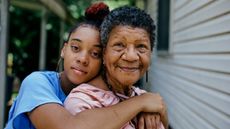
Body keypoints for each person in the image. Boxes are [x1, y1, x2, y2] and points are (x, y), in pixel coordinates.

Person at [4, 2, 167, 129]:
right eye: (75, 48)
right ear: (63, 49)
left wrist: (152, 108)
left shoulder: (112, 94)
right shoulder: (37, 83)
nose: (83, 59)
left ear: (104, 58)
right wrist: (141, 103)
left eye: (95, 53)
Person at [64, 6, 167, 129]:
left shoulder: (147, 98)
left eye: (141, 46)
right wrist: (141, 104)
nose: (131, 56)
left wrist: (161, 110)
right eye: (119, 45)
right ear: (104, 53)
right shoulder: (83, 101)